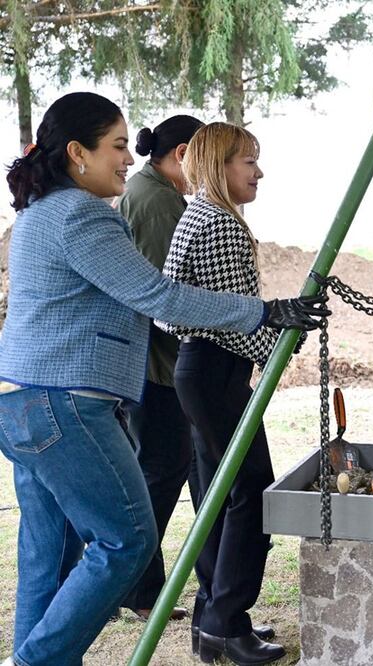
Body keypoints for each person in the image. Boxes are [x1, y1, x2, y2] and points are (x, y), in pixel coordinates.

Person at [0, 93, 327, 666]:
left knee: (48, 550)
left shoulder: (37, 213)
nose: (131, 157)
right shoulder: (80, 215)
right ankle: (38, 660)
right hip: (64, 404)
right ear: (78, 153)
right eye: (119, 146)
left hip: (21, 402)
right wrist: (263, 312)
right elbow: (156, 295)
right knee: (126, 541)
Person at [161, 121, 314, 665]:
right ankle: (228, 621)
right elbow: (232, 319)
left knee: (215, 498)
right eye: (248, 161)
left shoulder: (196, 213)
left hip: (197, 370)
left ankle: (212, 618)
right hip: (217, 369)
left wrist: (274, 324)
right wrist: (283, 332)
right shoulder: (220, 222)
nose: (259, 171)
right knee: (250, 492)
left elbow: (206, 306)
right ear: (218, 165)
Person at [114, 114, 204, 623]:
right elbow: (161, 296)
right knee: (160, 470)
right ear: (185, 153)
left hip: (162, 365)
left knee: (180, 469)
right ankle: (139, 587)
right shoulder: (156, 201)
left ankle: (149, 585)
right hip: (158, 368)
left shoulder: (157, 193)